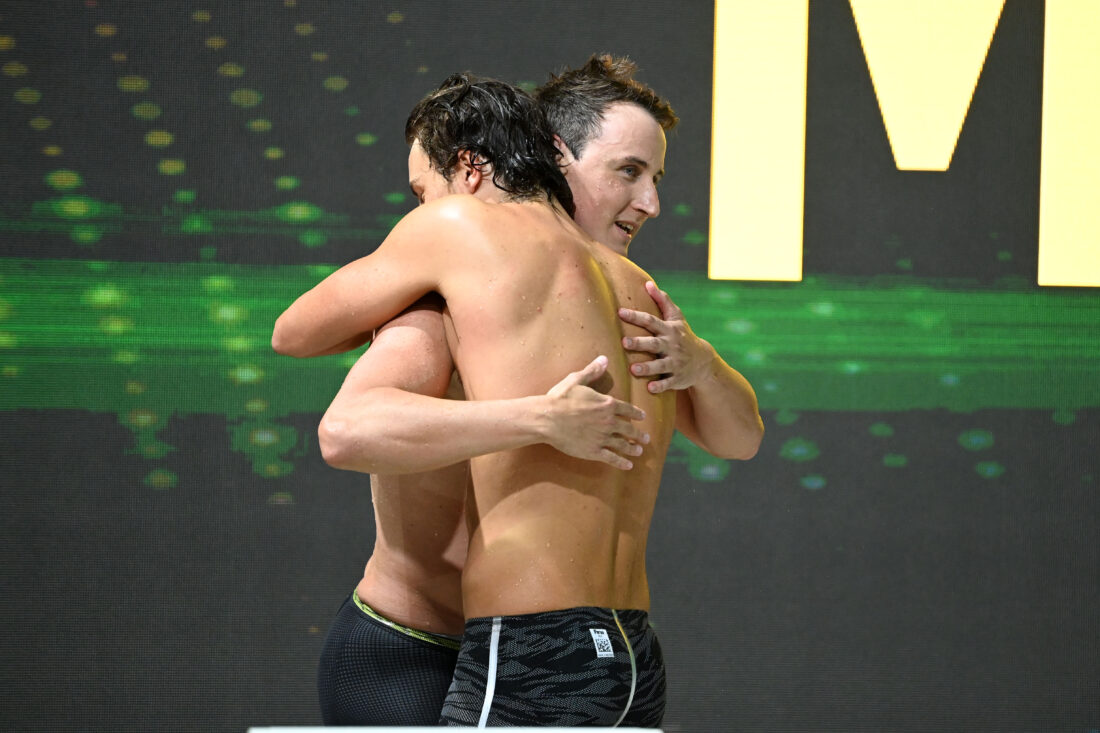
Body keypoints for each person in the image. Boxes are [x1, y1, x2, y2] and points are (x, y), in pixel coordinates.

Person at [276, 61, 762, 727]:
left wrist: (696, 363)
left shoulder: (478, 241)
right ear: (556, 156)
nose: (649, 202)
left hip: (527, 643)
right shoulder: (619, 285)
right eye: (629, 171)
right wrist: (541, 415)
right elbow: (744, 438)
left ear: (469, 172)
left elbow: (305, 356)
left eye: (424, 191)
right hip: (586, 651)